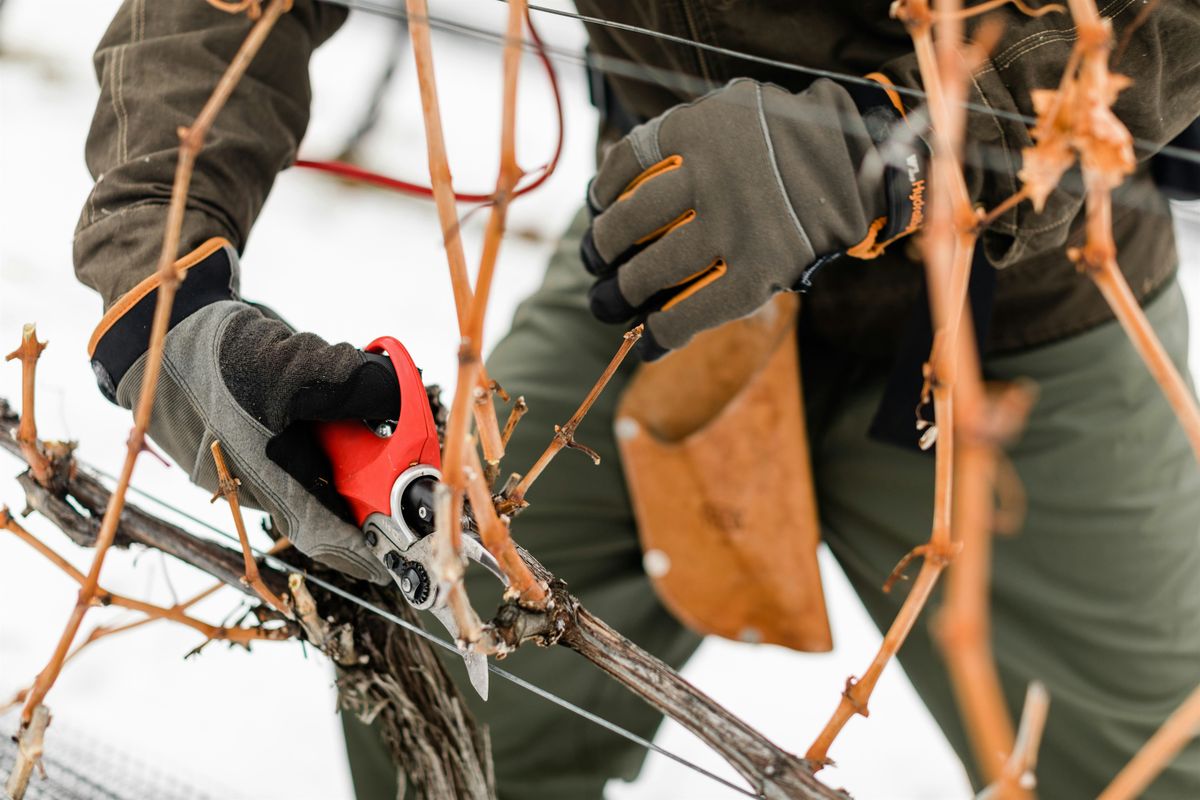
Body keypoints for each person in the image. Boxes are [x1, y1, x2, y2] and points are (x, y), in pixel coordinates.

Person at [76, 1, 1200, 797]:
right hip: (656, 271)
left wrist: (892, 146)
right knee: (456, 691)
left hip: (1026, 307)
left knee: (1152, 773)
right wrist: (159, 282)